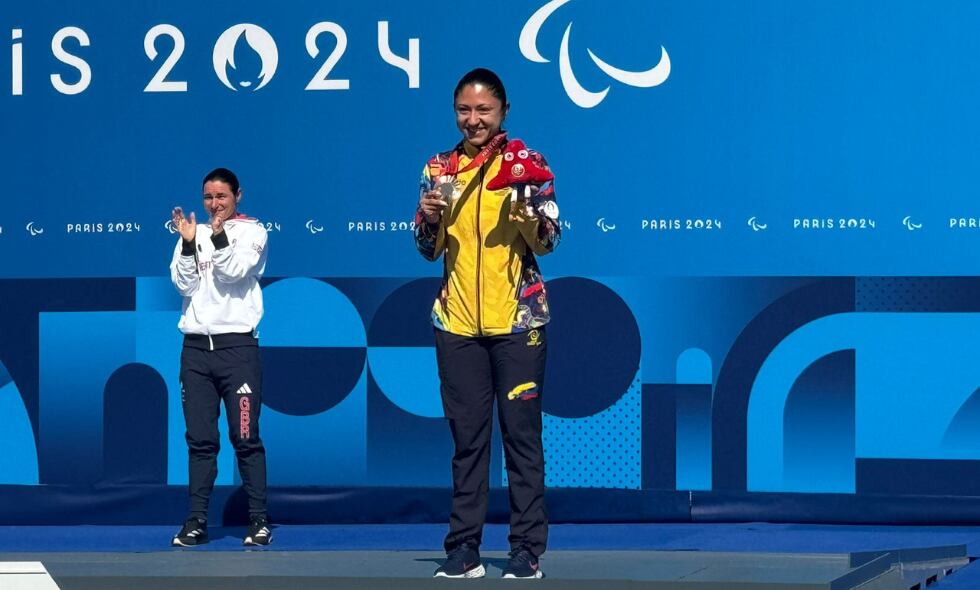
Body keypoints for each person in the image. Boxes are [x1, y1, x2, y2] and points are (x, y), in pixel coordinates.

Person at [415, 68, 561, 579]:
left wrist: (524, 213)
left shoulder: (529, 164)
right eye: (464, 109)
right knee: (468, 441)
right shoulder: (438, 168)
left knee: (521, 438)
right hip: (456, 324)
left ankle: (526, 549)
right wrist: (428, 217)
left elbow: (548, 241)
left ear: (503, 111)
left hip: (519, 323)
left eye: (483, 110)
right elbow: (426, 249)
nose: (472, 119)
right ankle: (464, 548)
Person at [169, 167, 271, 547]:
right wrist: (187, 244)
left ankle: (259, 521)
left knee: (245, 437)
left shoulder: (253, 232)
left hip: (237, 351)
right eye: (209, 197)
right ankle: (195, 521)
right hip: (196, 353)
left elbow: (233, 272)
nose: (215, 204)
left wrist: (216, 236)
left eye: (222, 197)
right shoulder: (191, 232)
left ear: (237, 196)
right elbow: (182, 283)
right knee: (200, 441)